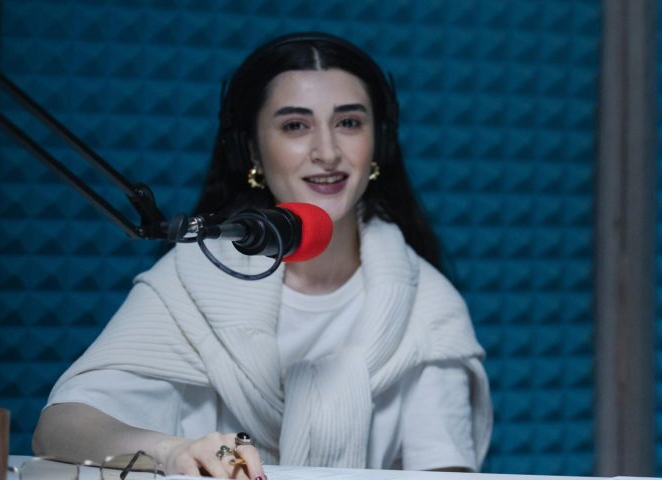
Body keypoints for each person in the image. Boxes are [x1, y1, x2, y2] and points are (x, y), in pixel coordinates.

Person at [32, 32, 492, 477]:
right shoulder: (193, 280)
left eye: (349, 122)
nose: (327, 151)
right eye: (295, 125)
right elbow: (60, 427)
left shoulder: (428, 306)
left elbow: (445, 470)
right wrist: (173, 451)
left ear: (380, 145)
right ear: (251, 149)